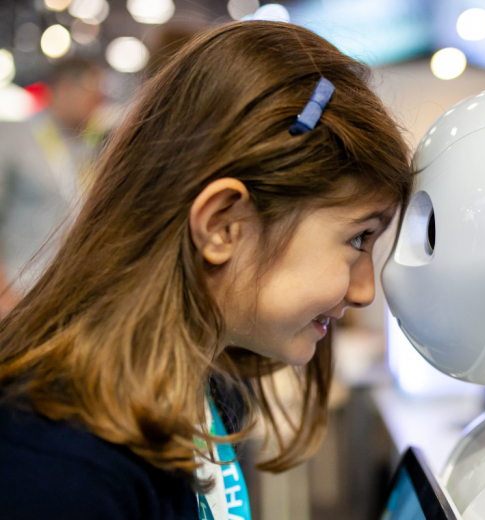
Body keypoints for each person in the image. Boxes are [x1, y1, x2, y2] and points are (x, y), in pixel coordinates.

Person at [0, 21, 412, 520]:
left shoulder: (209, 389)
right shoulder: (58, 468)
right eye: (358, 239)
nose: (366, 290)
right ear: (223, 226)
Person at [0, 57, 104, 316]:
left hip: (64, 299)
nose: (97, 101)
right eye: (91, 91)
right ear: (63, 88)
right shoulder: (14, 136)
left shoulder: (86, 147)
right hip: (17, 295)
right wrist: (4, 293)